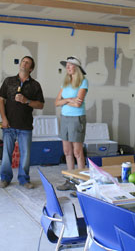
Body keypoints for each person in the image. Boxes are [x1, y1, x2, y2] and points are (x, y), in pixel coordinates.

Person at [0, 56, 44, 189]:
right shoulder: (9, 81)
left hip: (25, 126)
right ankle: (5, 178)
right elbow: (1, 101)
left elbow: (40, 105)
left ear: (31, 69)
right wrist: (4, 119)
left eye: (27, 63)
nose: (24, 63)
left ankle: (24, 179)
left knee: (25, 154)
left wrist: (26, 101)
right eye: (23, 61)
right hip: (9, 125)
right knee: (6, 154)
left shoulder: (35, 85)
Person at [55, 56, 88, 191]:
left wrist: (65, 101)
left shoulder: (83, 82)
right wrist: (69, 99)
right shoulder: (65, 83)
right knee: (67, 151)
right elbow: (56, 102)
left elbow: (78, 103)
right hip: (65, 118)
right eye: (67, 65)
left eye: (70, 65)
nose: (67, 67)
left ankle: (82, 183)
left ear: (77, 68)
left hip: (77, 119)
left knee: (77, 152)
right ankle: (70, 180)